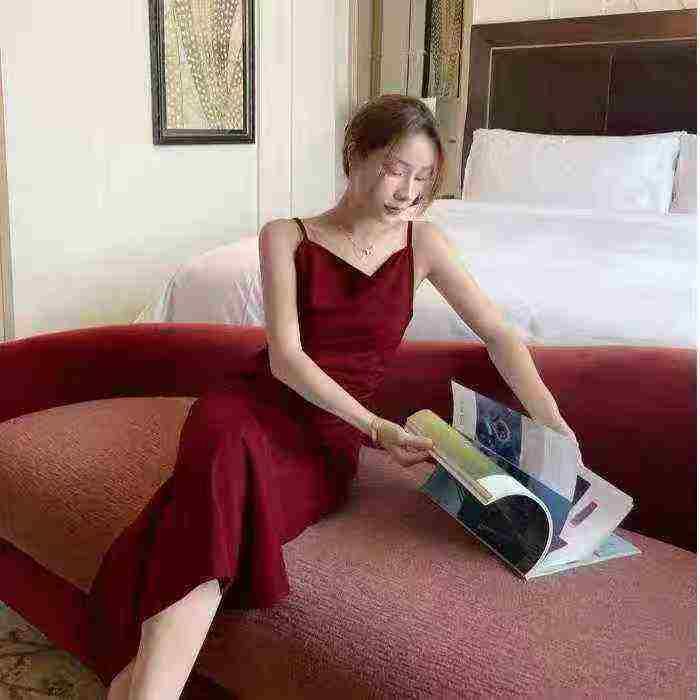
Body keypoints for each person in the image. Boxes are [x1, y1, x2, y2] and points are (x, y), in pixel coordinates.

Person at [102, 93, 580, 699]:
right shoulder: (286, 236)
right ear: (355, 155)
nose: (408, 191)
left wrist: (553, 422)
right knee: (222, 454)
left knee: (201, 512)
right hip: (254, 405)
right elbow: (286, 358)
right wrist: (376, 427)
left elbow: (499, 334)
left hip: (324, 441)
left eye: (423, 178)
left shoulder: (425, 245)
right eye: (395, 169)